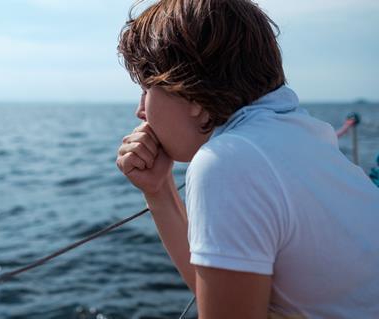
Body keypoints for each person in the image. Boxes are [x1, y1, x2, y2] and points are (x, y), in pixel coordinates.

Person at [115, 0, 379, 318]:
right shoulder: (302, 132)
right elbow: (225, 293)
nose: (140, 110)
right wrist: (158, 190)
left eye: (146, 89)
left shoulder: (228, 161)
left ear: (191, 94)